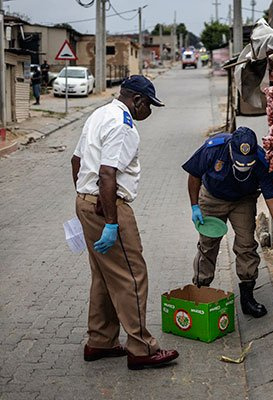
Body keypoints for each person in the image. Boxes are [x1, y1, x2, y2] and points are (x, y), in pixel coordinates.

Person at [71, 75, 179, 370]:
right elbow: (107, 174)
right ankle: (141, 347)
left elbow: (76, 162)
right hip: (108, 206)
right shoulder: (124, 126)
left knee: (105, 275)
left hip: (87, 201)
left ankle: (100, 341)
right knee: (132, 274)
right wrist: (110, 220)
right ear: (138, 101)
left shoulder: (99, 114)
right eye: (150, 106)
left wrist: (85, 198)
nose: (149, 112)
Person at [182, 126, 273, 318]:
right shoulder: (214, 148)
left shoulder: (262, 161)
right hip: (213, 198)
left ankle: (248, 297)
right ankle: (201, 290)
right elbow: (194, 174)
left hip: (243, 200)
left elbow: (272, 200)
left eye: (248, 163)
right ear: (231, 150)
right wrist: (194, 205)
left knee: (246, 245)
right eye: (240, 162)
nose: (244, 166)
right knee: (208, 245)